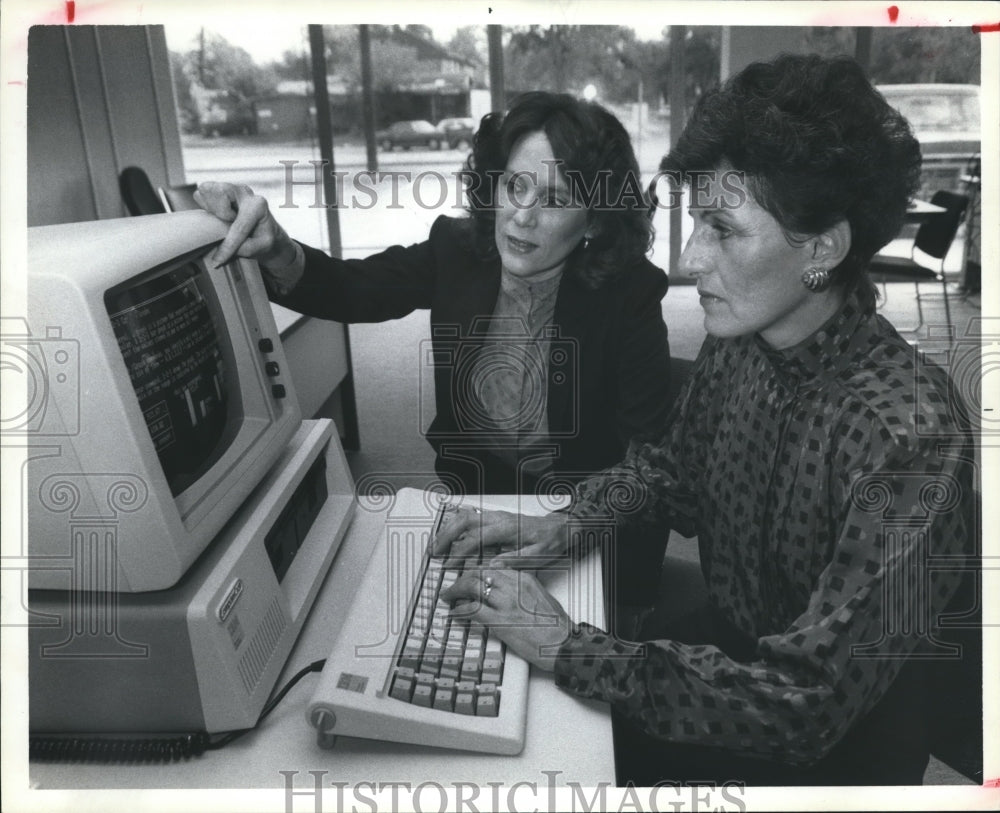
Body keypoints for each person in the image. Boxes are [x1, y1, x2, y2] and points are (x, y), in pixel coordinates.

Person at [435, 54, 977, 785]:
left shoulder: (911, 436)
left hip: (831, 747)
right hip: (732, 643)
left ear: (822, 249)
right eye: (697, 223)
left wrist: (569, 646)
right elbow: (667, 470)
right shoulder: (743, 346)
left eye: (723, 230)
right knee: (527, 727)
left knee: (555, 758)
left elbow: (807, 703)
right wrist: (563, 524)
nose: (691, 261)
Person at [196, 91, 672, 502]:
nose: (522, 216)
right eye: (515, 185)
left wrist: (569, 526)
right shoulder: (457, 248)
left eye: (555, 198)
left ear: (594, 220)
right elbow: (353, 288)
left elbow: (645, 461)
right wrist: (279, 247)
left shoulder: (630, 293)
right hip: (476, 494)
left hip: (577, 507)